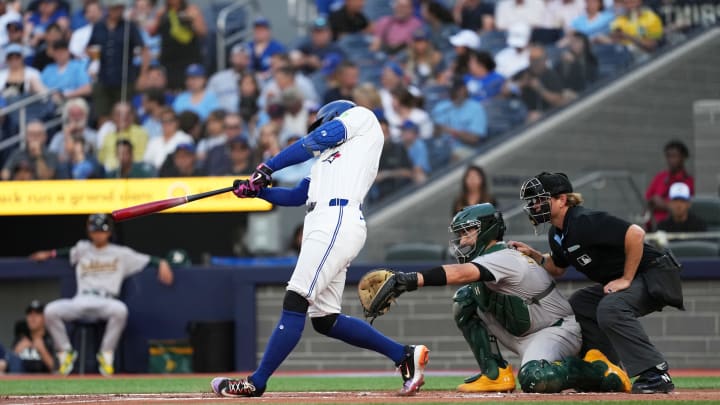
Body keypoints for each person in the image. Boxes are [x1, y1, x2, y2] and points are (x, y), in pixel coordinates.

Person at [211, 100, 429, 397]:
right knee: (325, 319)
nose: (320, 130)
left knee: (297, 297)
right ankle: (403, 355)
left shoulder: (360, 119)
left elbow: (317, 139)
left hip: (337, 218)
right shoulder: (326, 161)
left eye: (322, 124)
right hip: (321, 221)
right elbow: (297, 195)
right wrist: (257, 192)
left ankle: (257, 381)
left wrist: (267, 166)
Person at [362, 203, 632, 394]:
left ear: (488, 230)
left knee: (535, 379)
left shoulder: (503, 256)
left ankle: (599, 370)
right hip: (523, 329)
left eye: (468, 232)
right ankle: (495, 373)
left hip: (554, 331)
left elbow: (459, 272)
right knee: (465, 298)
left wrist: (409, 280)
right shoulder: (489, 257)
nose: (463, 240)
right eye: (461, 234)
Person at [510, 171, 682, 394]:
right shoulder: (557, 233)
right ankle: (605, 368)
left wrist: (626, 278)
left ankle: (656, 373)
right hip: (637, 277)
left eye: (540, 200)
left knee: (611, 307)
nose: (534, 206)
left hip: (655, 274)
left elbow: (636, 234)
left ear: (562, 200)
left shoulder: (584, 221)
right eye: (532, 201)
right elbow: (558, 268)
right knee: (582, 303)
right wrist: (534, 254)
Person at [30, 213, 174, 376]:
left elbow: (148, 260)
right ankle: (65, 352)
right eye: (95, 230)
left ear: (109, 232)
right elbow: (63, 252)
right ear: (89, 232)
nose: (98, 234)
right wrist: (48, 254)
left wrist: (161, 262)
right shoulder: (82, 248)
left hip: (106, 301)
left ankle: (106, 354)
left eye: (102, 230)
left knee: (120, 310)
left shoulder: (120, 253)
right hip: (81, 300)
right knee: (50, 310)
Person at [151, 0, 206, 91]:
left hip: (188, 57)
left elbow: (202, 32)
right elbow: (152, 32)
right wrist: (158, 18)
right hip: (169, 60)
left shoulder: (190, 10)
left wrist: (191, 19)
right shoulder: (163, 12)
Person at [645, 139, 694, 230]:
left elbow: (685, 205)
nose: (671, 160)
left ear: (683, 157)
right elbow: (649, 199)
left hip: (675, 226)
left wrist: (663, 204)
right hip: (654, 225)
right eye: (668, 156)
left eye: (675, 156)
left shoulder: (688, 181)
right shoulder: (660, 177)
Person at [7, 300, 55, 373]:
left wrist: (42, 351)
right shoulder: (20, 339)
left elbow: (60, 371)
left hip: (43, 382)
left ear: (45, 318)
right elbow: (6, 365)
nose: (32, 317)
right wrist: (15, 353)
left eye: (37, 313)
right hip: (19, 381)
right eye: (30, 313)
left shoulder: (51, 340)